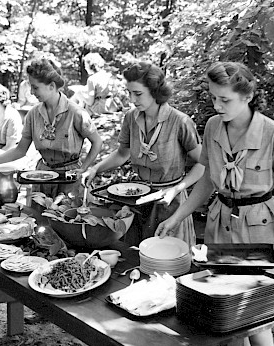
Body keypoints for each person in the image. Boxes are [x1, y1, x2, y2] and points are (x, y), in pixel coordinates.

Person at [155, 61, 274, 346]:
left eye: (225, 99)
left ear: (247, 96)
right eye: (213, 97)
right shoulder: (212, 127)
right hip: (219, 226)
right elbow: (209, 178)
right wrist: (177, 216)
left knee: (257, 322)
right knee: (224, 321)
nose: (217, 105)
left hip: (260, 231)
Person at [84, 61, 205, 247]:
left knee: (167, 259)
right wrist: (95, 169)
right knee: (137, 256)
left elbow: (203, 164)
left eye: (138, 94)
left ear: (156, 91)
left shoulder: (179, 122)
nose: (132, 99)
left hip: (170, 203)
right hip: (138, 201)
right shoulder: (131, 118)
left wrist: (178, 188)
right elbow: (122, 154)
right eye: (129, 93)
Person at [0, 58, 103, 198]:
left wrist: (83, 168)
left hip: (70, 180)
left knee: (65, 216)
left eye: (35, 87)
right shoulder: (33, 114)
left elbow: (97, 142)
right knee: (37, 217)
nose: (31, 92)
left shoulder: (76, 113)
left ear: (52, 86)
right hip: (42, 177)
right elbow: (20, 150)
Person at [71, 52, 119, 116]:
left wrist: (80, 94)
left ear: (90, 65)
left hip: (99, 109)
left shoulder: (92, 79)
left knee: (78, 94)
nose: (85, 68)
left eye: (85, 65)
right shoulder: (109, 75)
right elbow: (115, 92)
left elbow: (90, 102)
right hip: (111, 106)